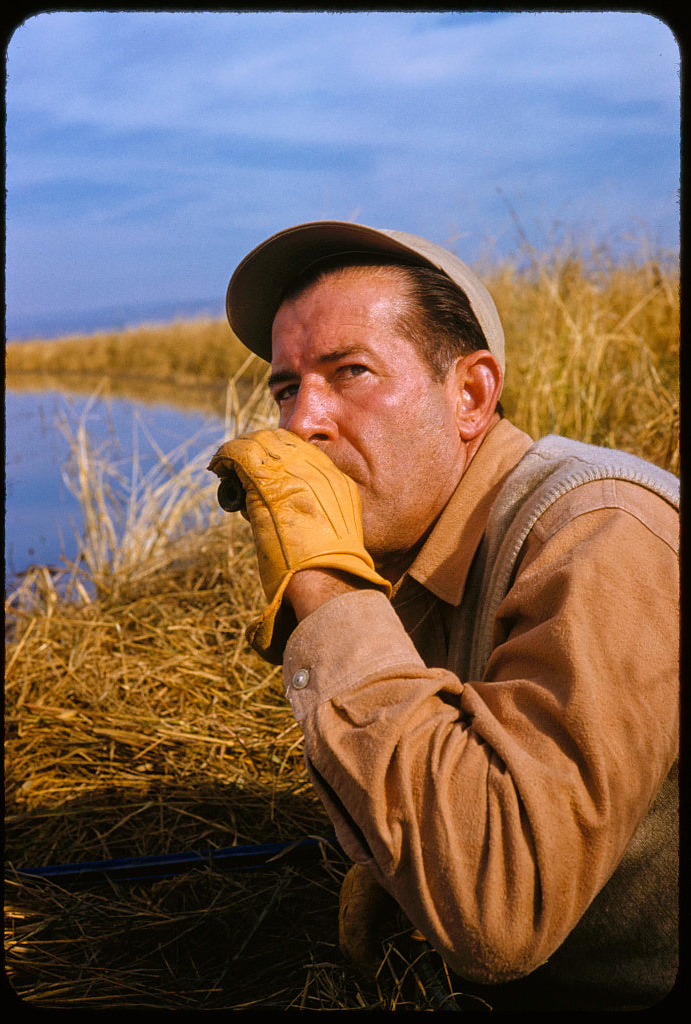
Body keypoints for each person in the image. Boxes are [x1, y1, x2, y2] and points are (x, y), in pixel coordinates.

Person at [208, 221, 679, 1011]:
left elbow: (502, 908)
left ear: (470, 395)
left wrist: (325, 584)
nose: (299, 425)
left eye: (348, 371)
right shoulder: (416, 548)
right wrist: (393, 875)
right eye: (287, 388)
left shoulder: (600, 534)